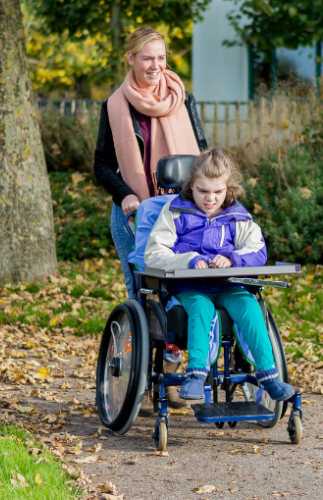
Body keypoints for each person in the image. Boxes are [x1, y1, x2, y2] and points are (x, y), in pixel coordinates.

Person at [93, 27, 207, 411]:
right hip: (135, 215)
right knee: (141, 295)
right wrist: (125, 194)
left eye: (160, 58)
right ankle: (140, 385)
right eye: (147, 58)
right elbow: (103, 166)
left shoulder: (183, 99)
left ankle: (173, 380)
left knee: (180, 293)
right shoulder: (115, 107)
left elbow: (202, 155)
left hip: (182, 214)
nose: (155, 65)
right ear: (131, 59)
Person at [144, 149, 297, 402]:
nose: (210, 199)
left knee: (249, 305)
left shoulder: (237, 215)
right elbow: (154, 253)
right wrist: (189, 259)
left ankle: (269, 377)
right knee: (201, 308)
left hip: (228, 285)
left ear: (229, 188)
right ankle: (195, 375)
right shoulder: (174, 212)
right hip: (189, 288)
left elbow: (257, 250)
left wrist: (233, 259)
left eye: (218, 191)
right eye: (202, 191)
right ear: (191, 185)